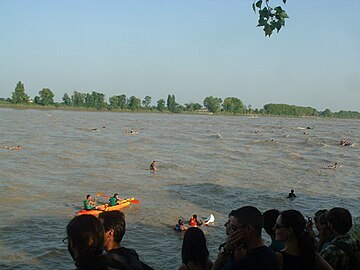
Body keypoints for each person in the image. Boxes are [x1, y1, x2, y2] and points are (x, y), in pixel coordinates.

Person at [212, 206, 278, 270]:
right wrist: (225, 251)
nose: (230, 230)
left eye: (233, 228)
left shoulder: (265, 259)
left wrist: (239, 261)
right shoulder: (231, 249)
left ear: (248, 229)